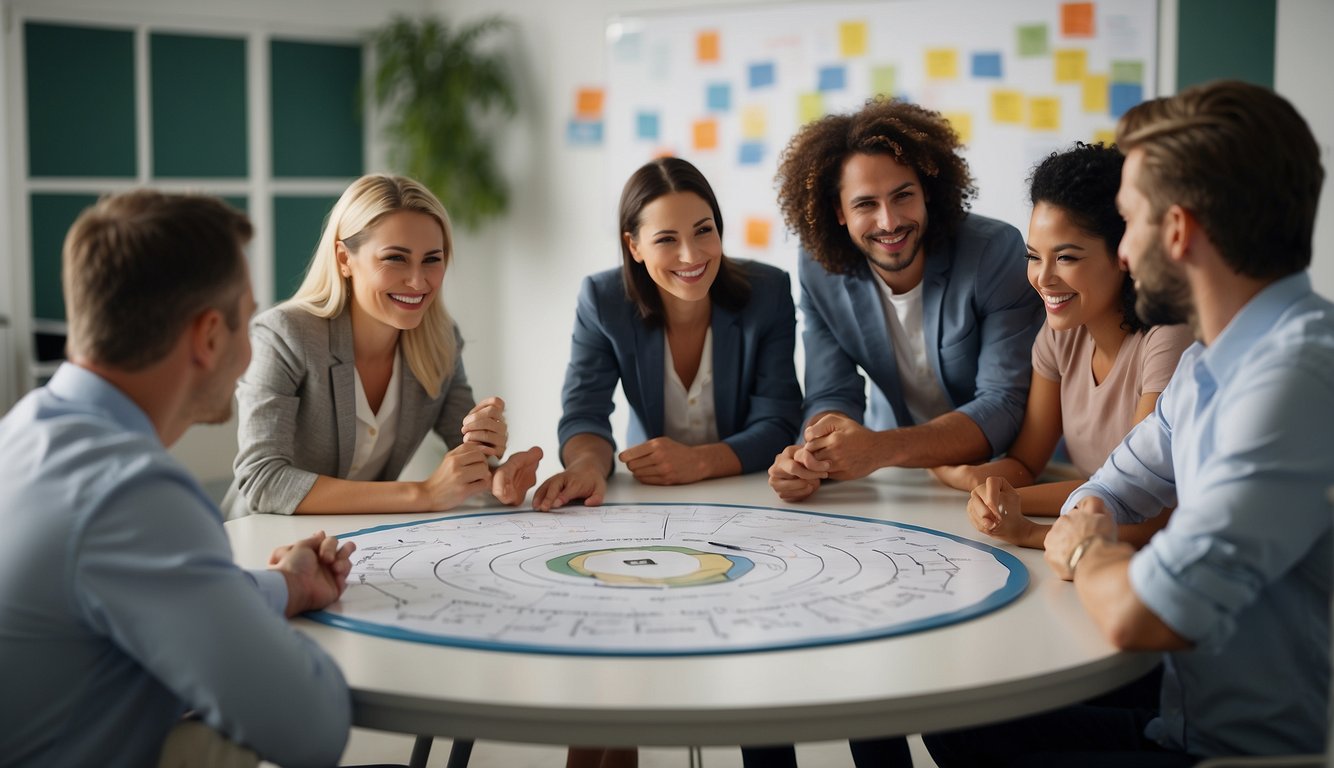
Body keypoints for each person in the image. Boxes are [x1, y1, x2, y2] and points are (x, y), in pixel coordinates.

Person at [925, 80, 1333, 765]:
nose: (1120, 251)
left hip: (1240, 754)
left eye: (1129, 219)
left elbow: (1145, 610)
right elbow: (1106, 492)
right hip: (1181, 712)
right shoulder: (1212, 361)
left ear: (1176, 231)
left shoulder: (1295, 377)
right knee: (955, 713)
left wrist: (1086, 550)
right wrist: (1088, 531)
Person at [0, 191, 354, 766]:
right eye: (249, 321)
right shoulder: (131, 493)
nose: (249, 353)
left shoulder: (23, 431)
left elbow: (150, 588)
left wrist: (289, 585)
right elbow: (312, 729)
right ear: (210, 336)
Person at [767, 97, 1044, 504]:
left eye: (902, 196)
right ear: (838, 212)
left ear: (927, 192)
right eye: (865, 204)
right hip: (901, 480)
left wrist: (880, 448)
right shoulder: (818, 270)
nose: (890, 221)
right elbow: (832, 393)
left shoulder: (993, 252)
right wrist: (814, 455)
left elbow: (1003, 404)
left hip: (1002, 473)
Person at [223, 173, 542, 519]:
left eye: (432, 259)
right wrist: (422, 494)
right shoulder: (285, 336)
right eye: (395, 258)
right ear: (344, 259)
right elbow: (262, 480)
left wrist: (495, 475)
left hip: (351, 548)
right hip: (261, 546)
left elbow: (465, 448)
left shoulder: (440, 340)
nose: (418, 281)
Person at [933, 143, 1193, 548]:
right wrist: (978, 483)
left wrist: (1022, 519)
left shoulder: (1167, 338)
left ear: (1123, 254)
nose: (1042, 278)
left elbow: (1143, 505)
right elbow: (1025, 462)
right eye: (1034, 257)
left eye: (1066, 258)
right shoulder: (1060, 333)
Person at [533, 156, 802, 512]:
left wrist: (701, 461)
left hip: (750, 493)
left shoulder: (768, 292)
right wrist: (587, 465)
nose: (690, 255)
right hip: (650, 497)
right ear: (634, 246)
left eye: (703, 230)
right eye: (666, 239)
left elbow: (778, 420)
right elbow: (585, 413)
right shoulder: (602, 300)